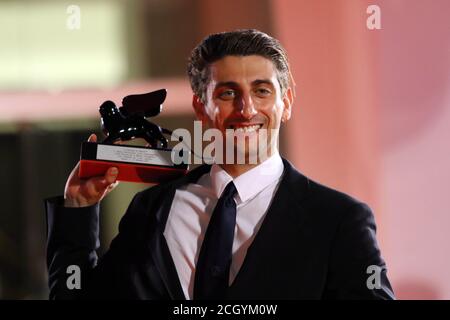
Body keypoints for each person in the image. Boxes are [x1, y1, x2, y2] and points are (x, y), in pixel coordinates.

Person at [45, 29, 395, 300]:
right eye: (227, 93)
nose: (246, 109)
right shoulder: (152, 209)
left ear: (285, 103)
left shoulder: (338, 220)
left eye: (262, 91)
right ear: (201, 108)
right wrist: (77, 211)